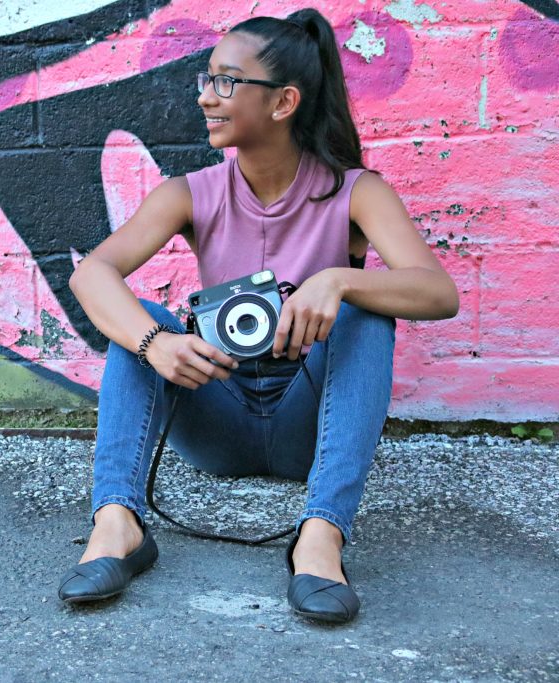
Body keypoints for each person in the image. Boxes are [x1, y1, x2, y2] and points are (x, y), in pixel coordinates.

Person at [55, 7, 460, 623]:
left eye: (226, 81)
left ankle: (321, 538)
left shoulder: (357, 192)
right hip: (217, 413)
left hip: (310, 425)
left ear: (282, 102)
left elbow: (439, 293)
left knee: (366, 315)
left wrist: (340, 280)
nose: (206, 98)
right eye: (206, 79)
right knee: (141, 317)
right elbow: (91, 274)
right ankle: (118, 526)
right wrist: (154, 345)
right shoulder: (189, 193)